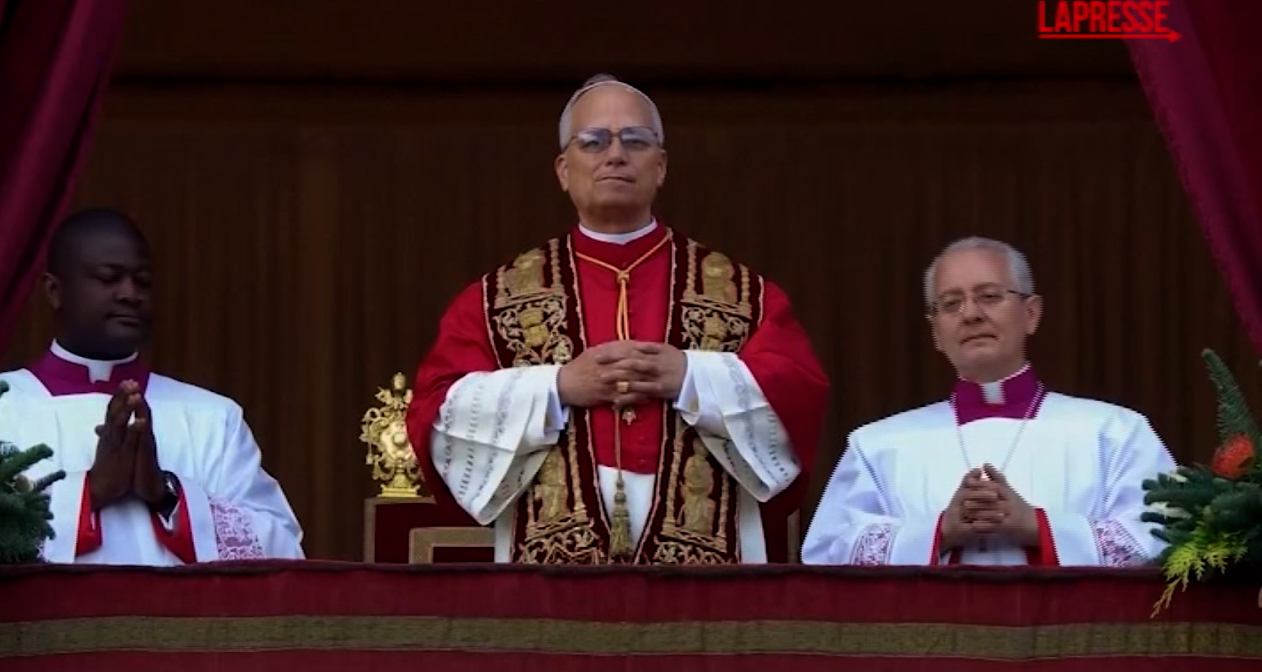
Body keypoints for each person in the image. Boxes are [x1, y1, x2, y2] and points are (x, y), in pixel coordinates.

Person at [407, 74, 829, 564]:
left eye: (635, 140)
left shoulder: (742, 295)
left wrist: (692, 377)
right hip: (550, 563)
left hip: (706, 559)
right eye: (593, 141)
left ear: (661, 166)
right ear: (564, 170)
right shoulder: (494, 299)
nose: (615, 154)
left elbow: (799, 396)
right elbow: (436, 414)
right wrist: (557, 387)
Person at [802, 236, 1176, 566]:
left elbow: (1165, 541)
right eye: (950, 303)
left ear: (1031, 314)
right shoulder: (877, 445)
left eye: (989, 296)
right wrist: (940, 531)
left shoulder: (1117, 432)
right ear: (935, 331)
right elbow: (829, 554)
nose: (971, 313)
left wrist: (1038, 527)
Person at [0, 208, 304, 565]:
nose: (130, 293)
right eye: (109, 278)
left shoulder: (212, 418)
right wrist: (89, 493)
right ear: (55, 290)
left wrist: (168, 495)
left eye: (143, 281)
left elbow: (284, 552)